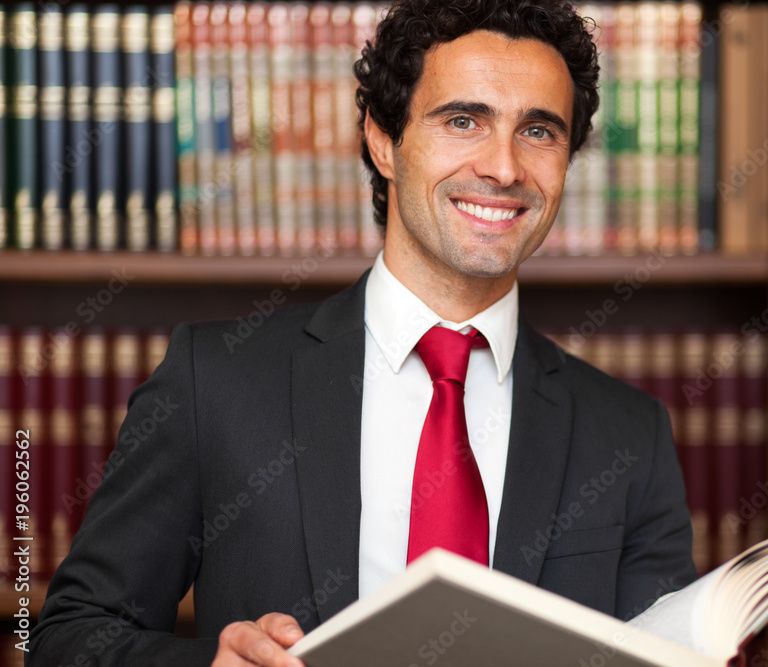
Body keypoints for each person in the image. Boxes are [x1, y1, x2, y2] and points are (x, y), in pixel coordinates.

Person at [29, 1, 697, 664]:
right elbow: (67, 638)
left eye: (540, 131)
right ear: (383, 139)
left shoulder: (629, 435)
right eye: (463, 120)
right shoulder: (217, 382)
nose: (503, 167)